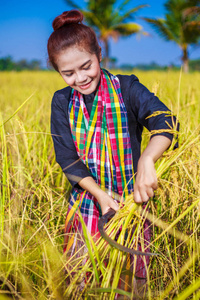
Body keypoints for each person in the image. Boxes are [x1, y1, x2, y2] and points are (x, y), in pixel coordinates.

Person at [48, 9, 178, 298]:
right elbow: (67, 157)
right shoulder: (61, 101)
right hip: (87, 206)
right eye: (68, 73)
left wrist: (147, 159)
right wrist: (100, 195)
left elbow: (165, 121)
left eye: (86, 66)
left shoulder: (127, 88)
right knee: (83, 281)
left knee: (131, 285)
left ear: (99, 55)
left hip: (131, 206)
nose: (80, 78)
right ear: (58, 72)